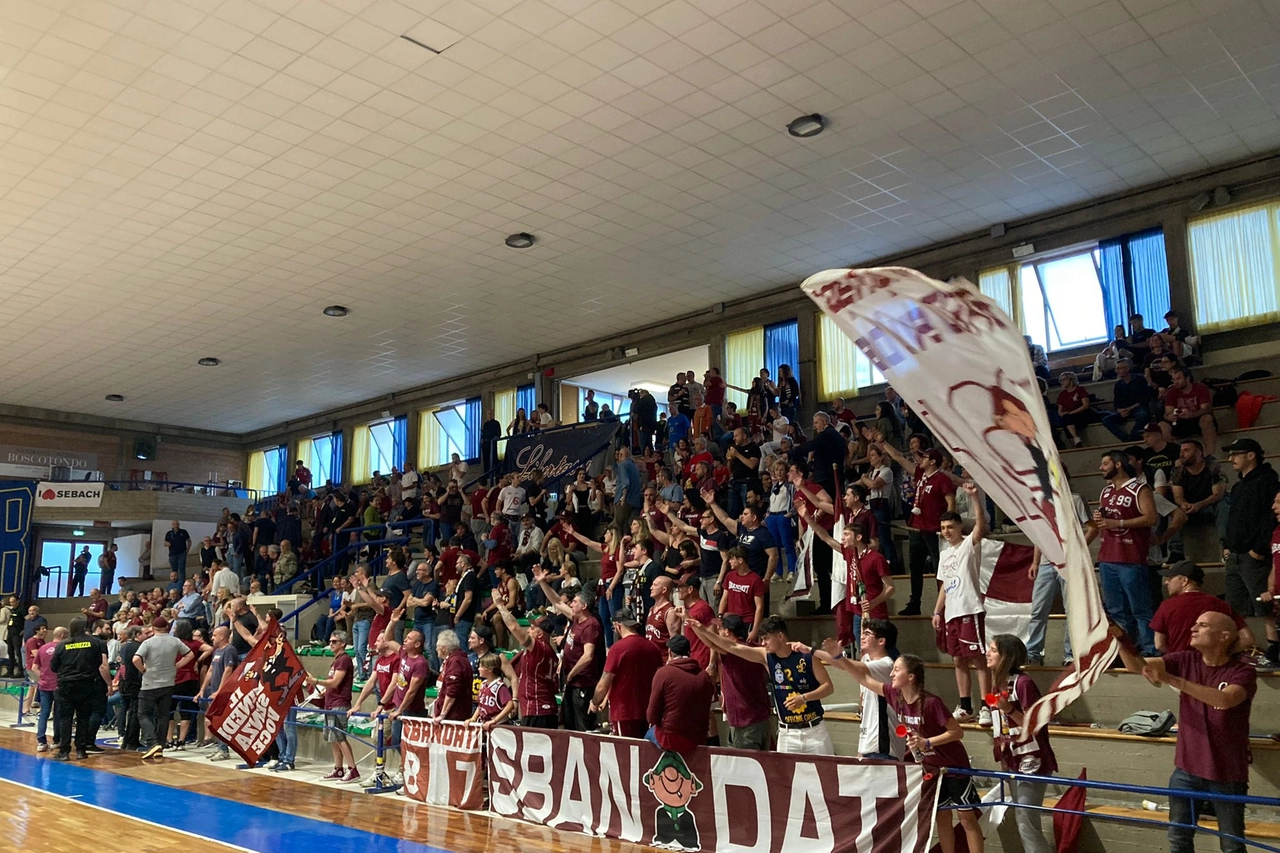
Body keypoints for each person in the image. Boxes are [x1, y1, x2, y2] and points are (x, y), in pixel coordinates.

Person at [1113, 614, 1256, 853]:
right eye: (1195, 622)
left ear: (1224, 636)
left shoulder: (1242, 671)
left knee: (1232, 844)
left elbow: (1225, 699)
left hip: (1227, 772)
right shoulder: (1185, 659)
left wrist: (1171, 679)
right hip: (1186, 769)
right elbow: (1138, 666)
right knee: (1178, 837)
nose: (1193, 627)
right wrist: (1121, 640)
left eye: (1203, 625)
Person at [818, 646, 981, 853]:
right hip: (932, 769)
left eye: (897, 670)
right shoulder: (895, 696)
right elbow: (863, 679)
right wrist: (840, 657)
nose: (892, 673)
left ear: (911, 677)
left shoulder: (932, 703)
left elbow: (957, 732)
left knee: (966, 819)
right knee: (941, 818)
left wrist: (927, 742)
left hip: (953, 766)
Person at [688, 614, 834, 754]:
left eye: (766, 639)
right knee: (786, 778)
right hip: (787, 733)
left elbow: (828, 687)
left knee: (826, 775)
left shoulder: (806, 656)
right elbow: (733, 647)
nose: (763, 643)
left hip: (814, 730)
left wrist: (803, 698)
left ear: (780, 636)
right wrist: (700, 629)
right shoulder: (766, 656)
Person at [986, 634, 1057, 853]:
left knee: (1027, 822)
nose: (987, 653)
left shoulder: (1023, 683)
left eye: (993, 650)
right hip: (1012, 759)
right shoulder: (997, 683)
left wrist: (1008, 709)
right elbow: (1002, 728)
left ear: (1007, 656)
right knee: (1022, 819)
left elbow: (1034, 724)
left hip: (1032, 759)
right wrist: (1003, 758)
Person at [1088, 450, 1159, 656]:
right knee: (1116, 610)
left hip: (1131, 558)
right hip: (1107, 558)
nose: (1101, 468)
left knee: (1140, 609)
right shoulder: (1106, 492)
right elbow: (1102, 522)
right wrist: (1100, 518)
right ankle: (1125, 651)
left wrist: (1117, 522)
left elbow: (1151, 518)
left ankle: (1150, 650)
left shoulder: (1139, 489)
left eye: (1105, 463)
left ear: (1118, 464)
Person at [933, 483, 993, 726]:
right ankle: (966, 706)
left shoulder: (969, 544)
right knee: (958, 660)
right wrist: (937, 611)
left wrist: (975, 497)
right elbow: (945, 586)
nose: (947, 531)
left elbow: (981, 525)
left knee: (978, 659)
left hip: (970, 608)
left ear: (960, 527)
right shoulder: (944, 554)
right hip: (951, 613)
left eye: (950, 527)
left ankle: (987, 707)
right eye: (943, 528)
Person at [881, 444, 955, 615]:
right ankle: (914, 603)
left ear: (933, 461)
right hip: (916, 528)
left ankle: (944, 604)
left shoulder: (942, 479)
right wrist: (883, 442)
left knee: (939, 569)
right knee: (915, 568)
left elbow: (951, 501)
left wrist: (948, 525)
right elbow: (899, 458)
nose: (921, 460)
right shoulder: (921, 475)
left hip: (934, 529)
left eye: (925, 457)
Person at [821, 619, 904, 759]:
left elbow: (844, 665)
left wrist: (811, 651)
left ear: (881, 641)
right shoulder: (866, 658)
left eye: (867, 633)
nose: (862, 636)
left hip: (883, 743)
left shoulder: (886, 664)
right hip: (868, 742)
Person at [1222, 438, 1279, 616]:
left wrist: (1259, 549)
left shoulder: (1267, 481)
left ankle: (1273, 643)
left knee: (1266, 608)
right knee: (1234, 609)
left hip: (1254, 556)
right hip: (1235, 555)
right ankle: (1244, 644)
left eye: (1235, 454)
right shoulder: (1239, 486)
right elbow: (1233, 519)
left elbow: (1271, 517)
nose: (1231, 459)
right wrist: (1226, 544)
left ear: (1251, 455)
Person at [537, 578, 603, 732]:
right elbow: (557, 603)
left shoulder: (590, 625)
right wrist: (542, 582)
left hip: (583, 683)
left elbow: (588, 656)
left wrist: (571, 673)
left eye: (574, 602)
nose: (571, 604)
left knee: (582, 725)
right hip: (572, 681)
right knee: (569, 723)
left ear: (584, 606)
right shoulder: (576, 619)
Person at [1151, 561, 1252, 653]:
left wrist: (1177, 657)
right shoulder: (1219, 604)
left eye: (1170, 578)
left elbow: (1159, 644)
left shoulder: (1167, 605)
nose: (1166, 582)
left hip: (1179, 668)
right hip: (1211, 668)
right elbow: (1247, 638)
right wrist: (1223, 655)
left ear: (1184, 580)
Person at [591, 607, 663, 737]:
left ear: (617, 626)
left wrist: (595, 702)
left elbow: (604, 682)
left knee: (625, 753)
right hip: (648, 710)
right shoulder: (653, 648)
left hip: (624, 711)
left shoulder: (617, 649)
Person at [49, 617, 110, 761]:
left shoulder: (63, 645)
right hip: (87, 684)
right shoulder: (95, 643)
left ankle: (64, 751)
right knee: (84, 718)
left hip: (66, 685)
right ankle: (81, 750)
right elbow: (98, 663)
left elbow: (53, 666)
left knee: (65, 718)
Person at [134, 617, 196, 760]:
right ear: (167, 628)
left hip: (150, 683)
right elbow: (190, 654)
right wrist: (178, 666)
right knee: (163, 715)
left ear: (153, 629)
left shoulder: (148, 642)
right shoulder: (175, 641)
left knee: (143, 714)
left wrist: (143, 670)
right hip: (168, 683)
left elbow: (136, 659)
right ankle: (160, 745)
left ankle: (152, 742)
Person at [646, 634, 714, 757]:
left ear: (670, 652)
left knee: (647, 737)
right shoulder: (704, 676)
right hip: (697, 738)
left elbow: (651, 717)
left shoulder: (664, 673)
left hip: (670, 739)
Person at [200, 626, 239, 762]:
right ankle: (219, 747)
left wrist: (219, 690)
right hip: (213, 691)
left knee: (221, 721)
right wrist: (203, 688)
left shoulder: (229, 650)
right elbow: (210, 670)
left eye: (215, 635)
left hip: (224, 693)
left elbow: (228, 671)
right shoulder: (217, 651)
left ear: (222, 637)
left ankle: (223, 749)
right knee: (214, 721)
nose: (212, 638)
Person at [1161, 366, 1218, 457]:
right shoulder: (1171, 392)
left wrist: (1192, 414)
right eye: (1174, 379)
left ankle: (1210, 456)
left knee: (1207, 419)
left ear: (1187, 378)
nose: (1175, 382)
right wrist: (1169, 416)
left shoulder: (1200, 388)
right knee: (1162, 425)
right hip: (1179, 421)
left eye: (1178, 378)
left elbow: (1206, 409)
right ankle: (1173, 457)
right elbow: (1167, 412)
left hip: (1196, 419)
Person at [1102, 358, 1152, 442]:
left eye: (1119, 368)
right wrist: (1119, 410)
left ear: (1127, 368)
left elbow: (1145, 397)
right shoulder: (1118, 384)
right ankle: (1126, 438)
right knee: (1106, 420)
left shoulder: (1139, 379)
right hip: (1125, 410)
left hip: (1138, 407)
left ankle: (1134, 435)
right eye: (1116, 368)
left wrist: (1131, 408)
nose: (1117, 371)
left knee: (1143, 415)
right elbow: (1116, 402)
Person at [31, 626, 64, 752]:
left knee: (44, 712)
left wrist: (43, 678)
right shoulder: (63, 648)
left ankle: (41, 741)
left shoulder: (43, 648)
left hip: (44, 686)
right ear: (62, 636)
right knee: (58, 713)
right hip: (59, 685)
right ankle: (56, 741)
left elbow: (34, 667)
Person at [469, 652, 515, 729]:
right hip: (485, 725)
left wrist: (495, 720)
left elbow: (510, 705)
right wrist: (473, 718)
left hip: (498, 727)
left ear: (490, 669)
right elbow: (480, 706)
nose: (479, 668)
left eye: (481, 666)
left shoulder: (499, 686)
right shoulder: (483, 684)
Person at [1055, 371, 1094, 447]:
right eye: (1061, 380)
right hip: (1069, 416)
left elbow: (1085, 405)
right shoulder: (1062, 394)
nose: (1062, 382)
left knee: (1067, 419)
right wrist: (1064, 413)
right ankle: (1075, 438)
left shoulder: (1080, 389)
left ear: (1071, 379)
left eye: (1064, 379)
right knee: (1066, 420)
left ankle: (1074, 440)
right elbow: (1060, 410)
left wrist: (1071, 412)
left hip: (1082, 413)